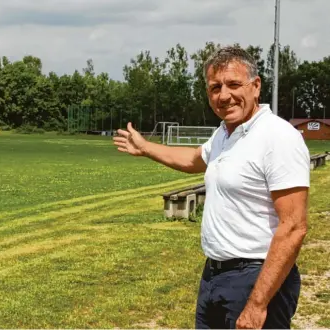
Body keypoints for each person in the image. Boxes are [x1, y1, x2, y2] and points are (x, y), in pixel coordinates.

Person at [113, 46, 310, 329]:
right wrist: (145, 148)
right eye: (215, 87)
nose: (224, 95)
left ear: (256, 87)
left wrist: (256, 305)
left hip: (255, 278)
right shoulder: (225, 133)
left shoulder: (277, 137)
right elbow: (195, 159)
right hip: (214, 275)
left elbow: (294, 226)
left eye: (233, 84)